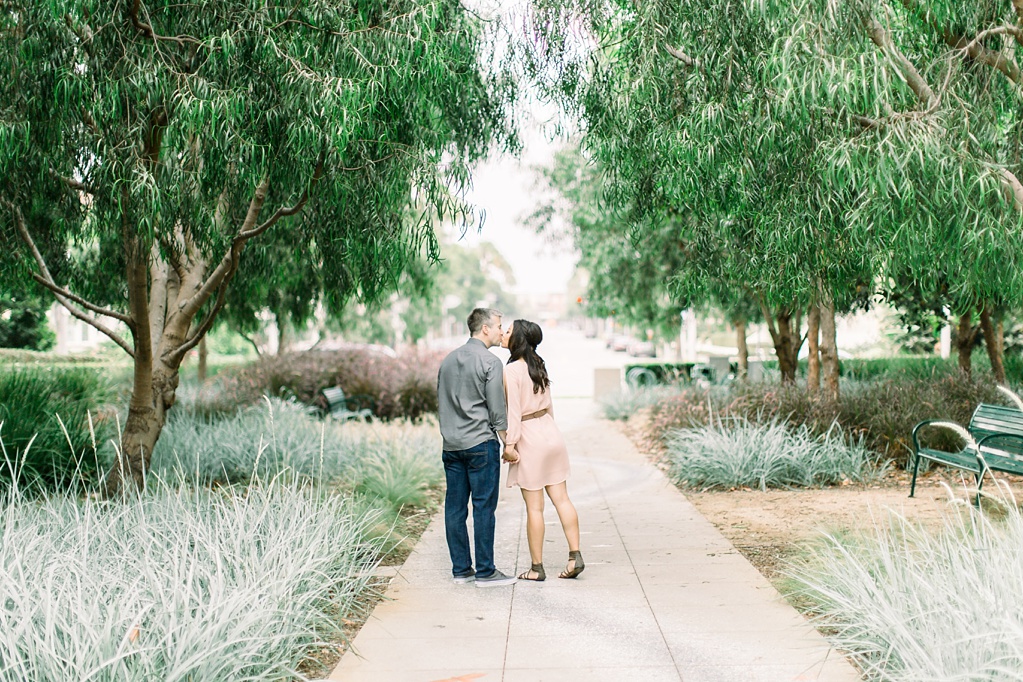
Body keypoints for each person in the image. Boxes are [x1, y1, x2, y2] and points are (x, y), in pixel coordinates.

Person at [436, 308, 518, 587]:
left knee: (454, 508)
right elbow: (497, 409)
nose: (500, 331)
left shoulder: (447, 360)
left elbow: (442, 403)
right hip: (480, 444)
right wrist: (508, 442)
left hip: (451, 446)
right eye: (498, 326)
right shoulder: (490, 362)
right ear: (485, 329)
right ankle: (485, 571)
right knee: (484, 507)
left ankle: (461, 570)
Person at [500, 319, 584, 581]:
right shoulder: (539, 363)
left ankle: (537, 568)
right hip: (550, 433)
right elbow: (549, 406)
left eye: (509, 331)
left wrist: (510, 445)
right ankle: (575, 556)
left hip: (529, 437)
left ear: (518, 339)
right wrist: (550, 432)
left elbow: (513, 412)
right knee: (562, 499)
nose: (504, 333)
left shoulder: (512, 370)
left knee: (535, 508)